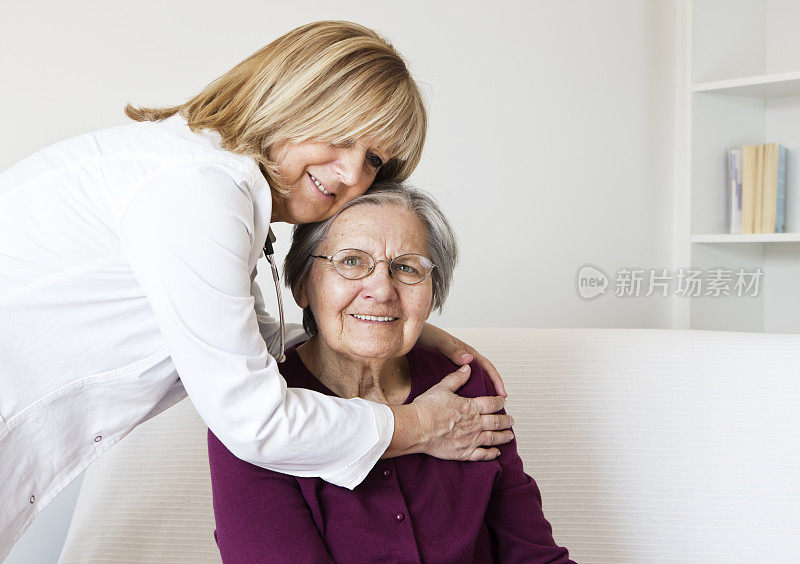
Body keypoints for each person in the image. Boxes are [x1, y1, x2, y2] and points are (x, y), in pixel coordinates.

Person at [0, 21, 513, 558]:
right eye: (342, 134)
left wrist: (396, 322)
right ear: (294, 96)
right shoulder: (199, 192)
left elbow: (231, 336)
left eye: (374, 161)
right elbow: (255, 419)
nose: (350, 175)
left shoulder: (205, 181)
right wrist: (417, 426)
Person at [208, 182, 574, 563]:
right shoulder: (254, 413)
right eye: (350, 261)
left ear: (433, 292)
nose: (382, 290)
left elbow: (534, 555)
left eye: (406, 267)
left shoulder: (467, 386)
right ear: (302, 284)